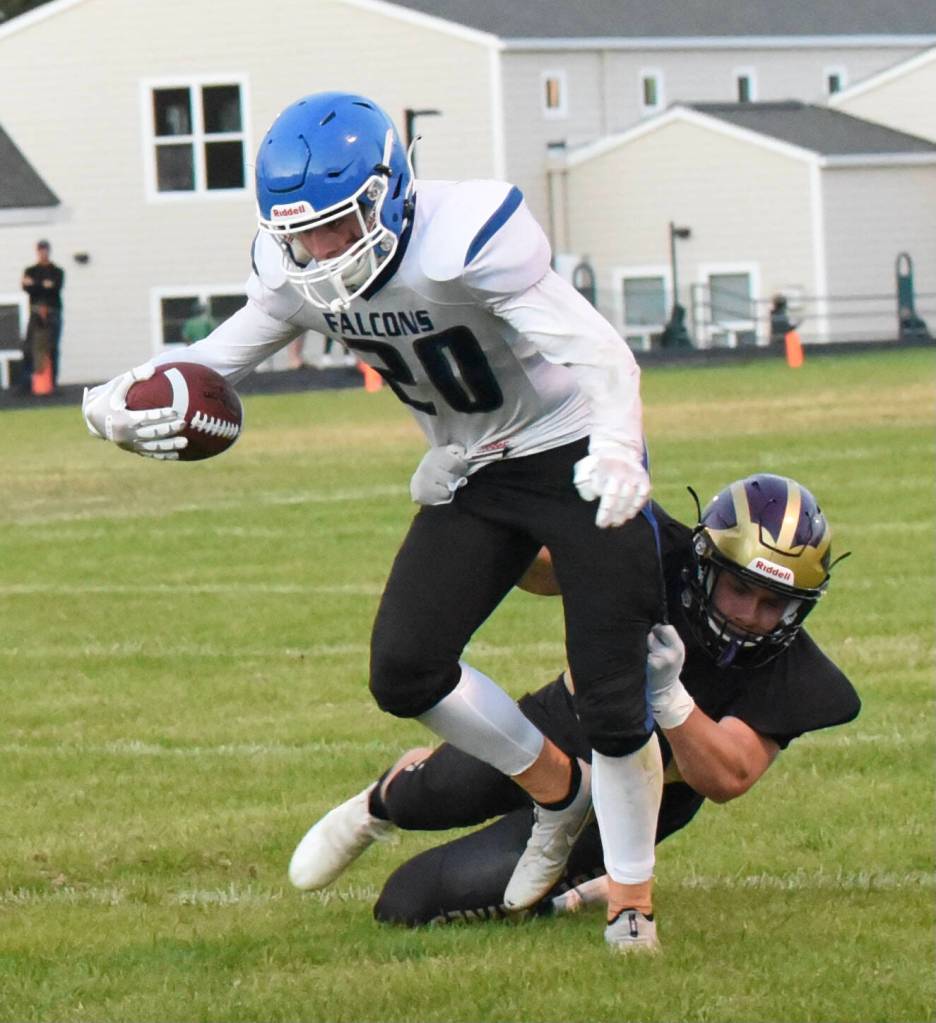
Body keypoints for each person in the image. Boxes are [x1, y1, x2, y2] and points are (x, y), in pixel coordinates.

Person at [81, 91, 665, 951]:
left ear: (391, 192)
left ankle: (630, 903)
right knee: (405, 668)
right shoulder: (298, 273)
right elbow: (214, 361)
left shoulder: (464, 236)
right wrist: (113, 403)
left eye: (338, 225)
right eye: (301, 234)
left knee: (613, 695)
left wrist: (617, 446)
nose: (320, 252)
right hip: (473, 468)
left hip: (568, 448)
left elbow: (600, 350)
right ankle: (555, 790)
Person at [287, 473, 860, 928]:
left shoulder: (798, 672)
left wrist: (670, 699)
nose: (750, 616)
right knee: (428, 798)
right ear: (706, 562)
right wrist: (504, 525)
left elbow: (727, 776)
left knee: (408, 905)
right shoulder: (652, 552)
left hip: (643, 796)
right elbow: (542, 572)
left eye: (775, 604)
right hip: (560, 728)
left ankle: (587, 891)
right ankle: (379, 802)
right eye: (740, 588)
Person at [21, 239, 64, 389]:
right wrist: (43, 284)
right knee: (29, 347)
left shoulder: (57, 271)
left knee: (52, 348)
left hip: (53, 312)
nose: (42, 252)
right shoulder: (30, 270)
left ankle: (52, 383)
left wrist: (35, 283)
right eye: (40, 250)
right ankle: (27, 383)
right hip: (35, 312)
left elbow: (55, 287)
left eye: (44, 249)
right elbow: (27, 287)